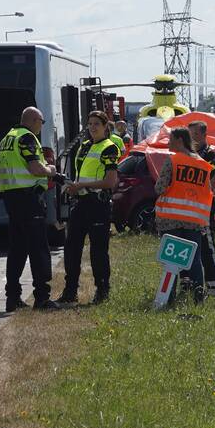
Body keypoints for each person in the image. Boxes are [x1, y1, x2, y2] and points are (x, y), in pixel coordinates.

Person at [0, 106, 63, 312]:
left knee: (17, 249)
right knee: (38, 248)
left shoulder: (8, 138)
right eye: (41, 122)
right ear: (34, 120)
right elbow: (35, 168)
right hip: (29, 199)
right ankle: (42, 298)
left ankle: (13, 297)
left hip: (12, 198)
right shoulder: (26, 138)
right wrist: (51, 170)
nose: (41, 126)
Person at [58, 111, 120, 305]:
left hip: (98, 204)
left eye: (97, 124)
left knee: (98, 250)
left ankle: (102, 291)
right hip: (80, 203)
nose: (92, 127)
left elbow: (110, 182)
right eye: (90, 124)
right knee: (71, 248)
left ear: (105, 127)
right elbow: (81, 175)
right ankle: (70, 291)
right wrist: (74, 188)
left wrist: (82, 186)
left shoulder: (109, 148)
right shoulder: (84, 146)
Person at [154, 127, 214, 303]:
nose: (168, 143)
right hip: (194, 220)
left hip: (171, 219)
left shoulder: (173, 160)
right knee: (194, 260)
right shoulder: (204, 164)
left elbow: (159, 188)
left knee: (171, 261)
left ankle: (168, 298)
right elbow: (208, 191)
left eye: (170, 139)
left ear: (179, 140)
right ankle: (198, 298)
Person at [188, 119, 215, 297]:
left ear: (204, 135)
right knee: (188, 243)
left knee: (206, 245)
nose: (192, 138)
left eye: (195, 134)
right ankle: (189, 284)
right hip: (187, 207)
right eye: (190, 135)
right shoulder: (187, 155)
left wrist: (201, 192)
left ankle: (213, 287)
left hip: (204, 205)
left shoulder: (210, 154)